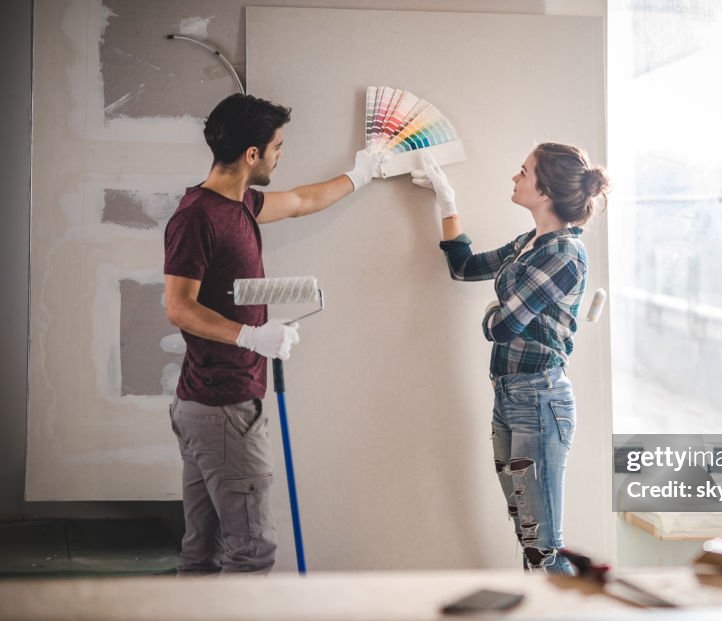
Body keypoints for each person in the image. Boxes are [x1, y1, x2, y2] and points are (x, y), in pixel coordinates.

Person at [164, 93, 378, 573]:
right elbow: (178, 307)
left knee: (203, 551)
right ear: (252, 155)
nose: (282, 155)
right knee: (251, 551)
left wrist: (364, 172)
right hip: (224, 408)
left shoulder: (239, 205)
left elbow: (303, 201)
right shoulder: (197, 217)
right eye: (277, 146)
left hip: (207, 404)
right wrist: (249, 337)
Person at [411, 143, 610, 574]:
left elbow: (503, 327)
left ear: (545, 190)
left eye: (523, 172)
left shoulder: (563, 255)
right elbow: (463, 267)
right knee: (528, 535)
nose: (514, 178)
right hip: (509, 397)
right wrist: (447, 201)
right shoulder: (529, 243)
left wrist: (491, 316)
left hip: (539, 401)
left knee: (543, 546)